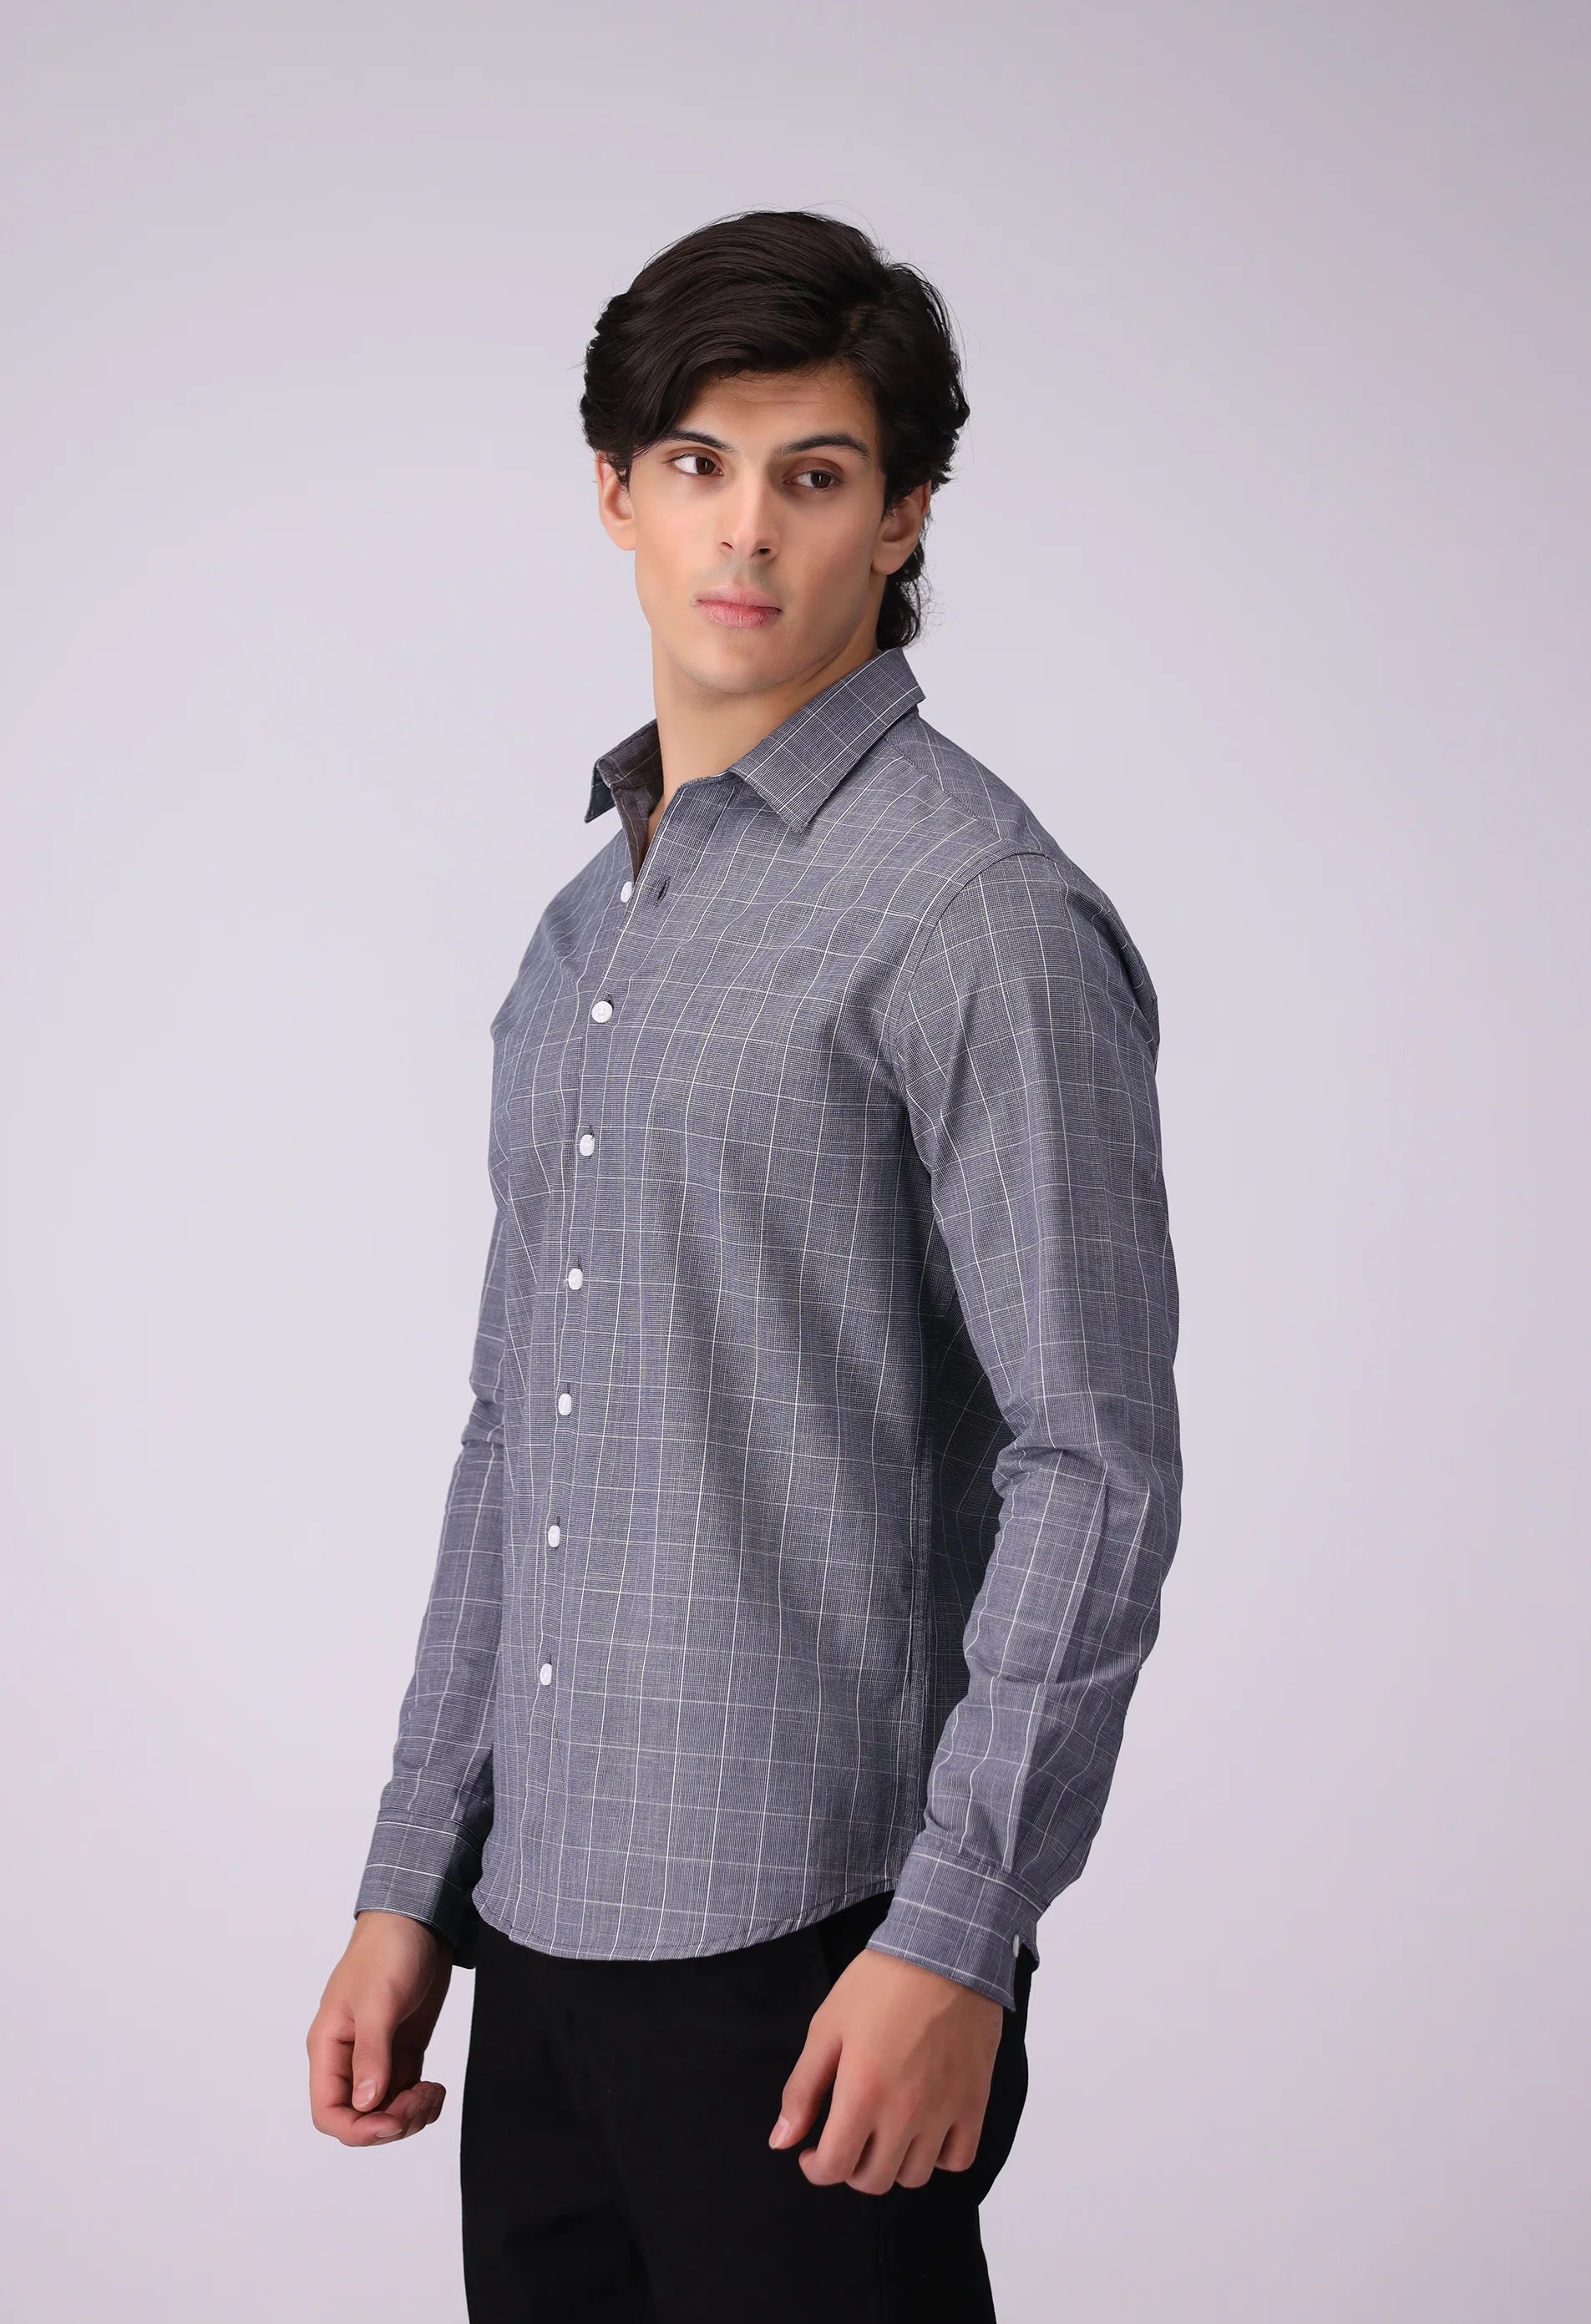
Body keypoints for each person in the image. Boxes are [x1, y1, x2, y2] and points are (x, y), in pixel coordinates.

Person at [306, 208, 1183, 2321]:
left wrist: (958, 1932)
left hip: (819, 1950)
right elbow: (517, 1431)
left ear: (906, 517)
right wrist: (412, 1878)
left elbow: (1095, 1465)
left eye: (817, 473)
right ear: (617, 494)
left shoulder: (976, 912)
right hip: (540, 1938)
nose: (750, 529)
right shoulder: (583, 938)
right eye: (700, 463)